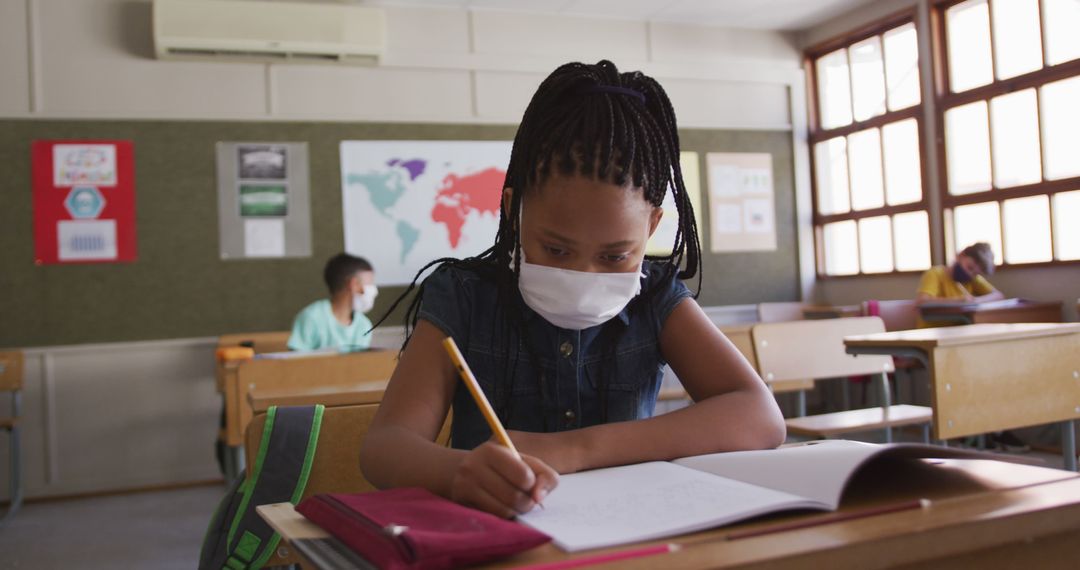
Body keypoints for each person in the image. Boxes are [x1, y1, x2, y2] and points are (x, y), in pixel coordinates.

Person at [359, 60, 786, 518]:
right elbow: (384, 448)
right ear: (512, 209)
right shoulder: (463, 297)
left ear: (652, 225)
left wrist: (576, 449)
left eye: (615, 256)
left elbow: (760, 417)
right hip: (496, 538)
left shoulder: (657, 297)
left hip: (626, 531)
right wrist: (458, 472)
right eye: (556, 250)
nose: (585, 275)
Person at [287, 253, 378, 352]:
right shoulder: (311, 317)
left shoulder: (363, 324)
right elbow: (295, 361)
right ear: (353, 284)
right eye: (369, 283)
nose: (374, 290)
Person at [914, 242, 1004, 328]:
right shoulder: (935, 274)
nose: (970, 274)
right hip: (933, 331)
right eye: (969, 267)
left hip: (959, 331)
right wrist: (958, 300)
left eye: (975, 273)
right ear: (960, 256)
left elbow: (998, 295)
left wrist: (976, 301)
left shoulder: (973, 279)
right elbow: (922, 301)